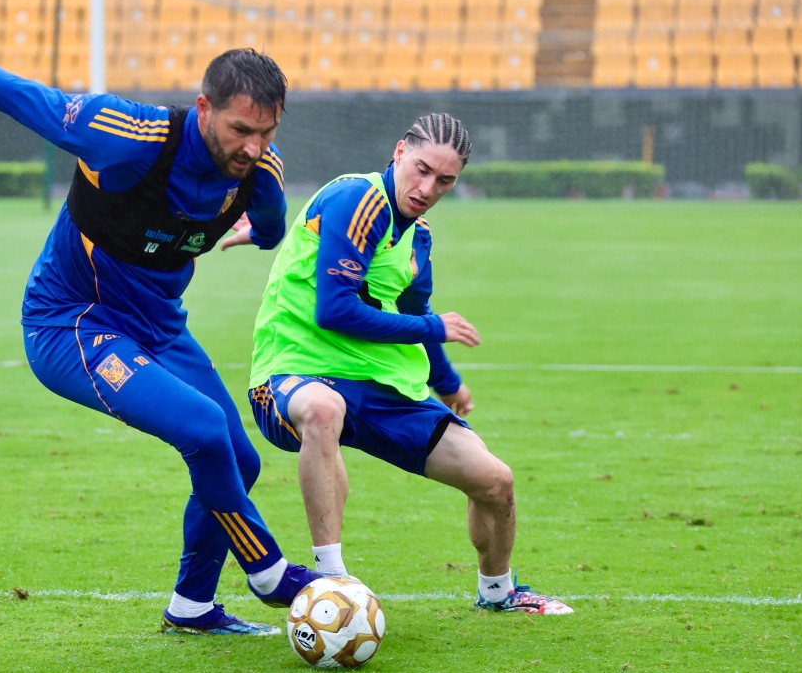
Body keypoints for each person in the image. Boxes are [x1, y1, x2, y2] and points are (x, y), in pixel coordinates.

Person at [0, 6, 320, 635]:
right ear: (204, 107)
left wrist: (253, 234)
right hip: (71, 323)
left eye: (266, 133)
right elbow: (18, 95)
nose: (254, 147)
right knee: (205, 427)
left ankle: (191, 608)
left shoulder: (256, 174)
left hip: (159, 326)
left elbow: (273, 225)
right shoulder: (129, 135)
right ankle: (268, 570)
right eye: (242, 129)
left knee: (239, 462)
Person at [240, 113, 572, 615]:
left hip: (380, 384)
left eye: (445, 181)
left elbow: (415, 311)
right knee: (324, 410)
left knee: (494, 481)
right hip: (293, 370)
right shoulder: (357, 197)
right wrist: (434, 329)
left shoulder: (418, 236)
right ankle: (332, 582)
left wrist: (448, 382)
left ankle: (498, 592)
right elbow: (334, 311)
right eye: (421, 170)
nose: (428, 187)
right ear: (398, 151)